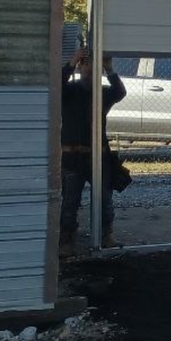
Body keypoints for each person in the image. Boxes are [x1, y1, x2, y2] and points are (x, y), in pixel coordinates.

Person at [59, 47, 127, 249]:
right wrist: (72, 61)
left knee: (105, 199)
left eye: (93, 65)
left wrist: (109, 69)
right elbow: (57, 85)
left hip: (99, 157)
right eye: (85, 65)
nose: (89, 69)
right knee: (70, 202)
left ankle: (106, 236)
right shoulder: (69, 91)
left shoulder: (103, 93)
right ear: (80, 68)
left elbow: (120, 92)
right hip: (73, 157)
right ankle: (66, 238)